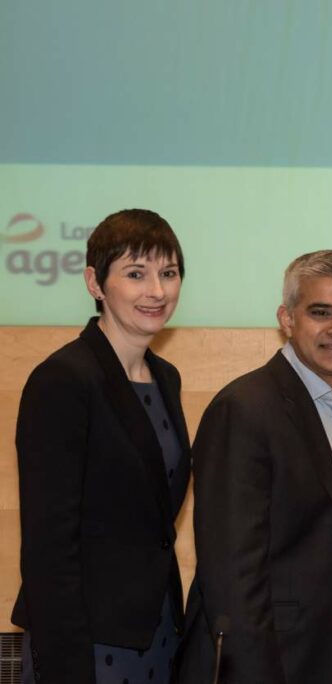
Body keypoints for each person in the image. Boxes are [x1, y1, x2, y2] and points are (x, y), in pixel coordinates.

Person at [178, 250, 332, 684]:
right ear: (287, 319)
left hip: (327, 658)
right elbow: (233, 576)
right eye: (321, 312)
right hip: (267, 666)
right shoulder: (245, 408)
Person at [13, 209, 189, 684]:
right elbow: (49, 546)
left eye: (168, 273)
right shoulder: (63, 380)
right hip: (86, 642)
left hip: (156, 631)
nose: (157, 290)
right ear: (95, 282)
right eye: (136, 274)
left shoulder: (166, 379)